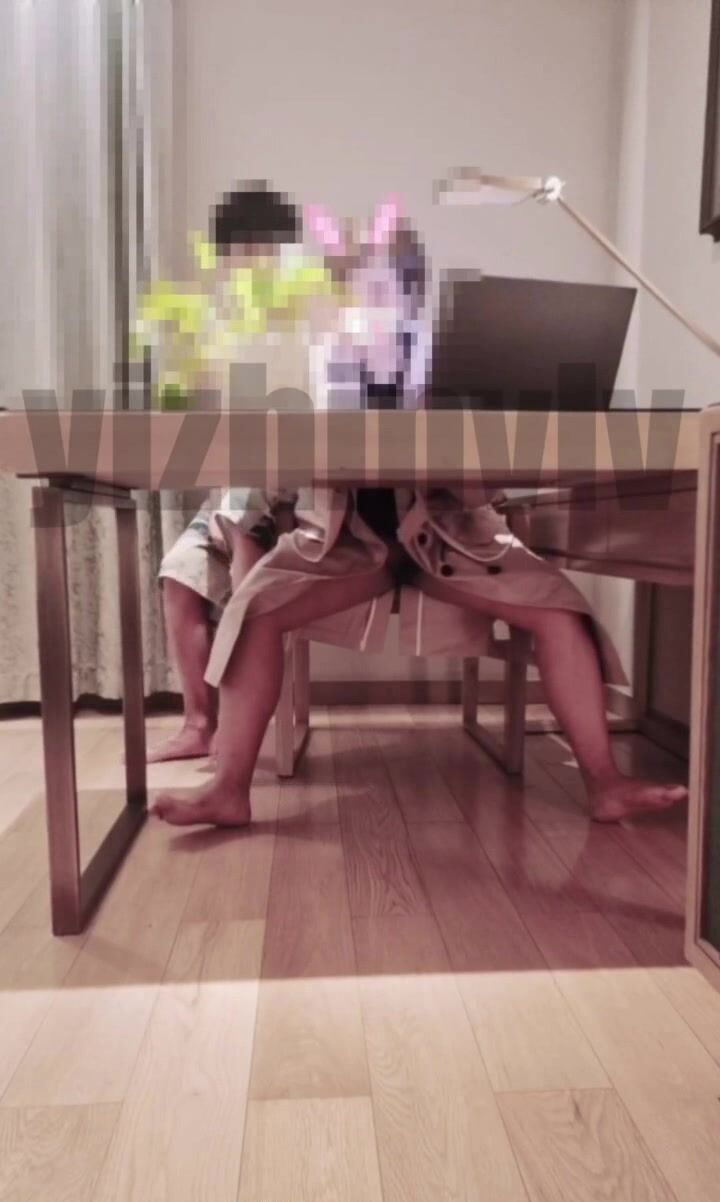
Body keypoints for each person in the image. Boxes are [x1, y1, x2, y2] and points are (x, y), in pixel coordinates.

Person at [153, 201, 687, 825]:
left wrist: (474, 446)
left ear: (410, 289)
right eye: (356, 281)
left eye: (387, 281)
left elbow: (484, 488)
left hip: (450, 540)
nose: (370, 296)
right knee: (254, 612)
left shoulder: (453, 361)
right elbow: (272, 472)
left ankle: (605, 783)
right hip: (344, 544)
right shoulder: (311, 362)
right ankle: (229, 790)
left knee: (563, 613)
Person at [149, 181, 313, 762]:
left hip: (303, 495)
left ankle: (242, 731)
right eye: (240, 249)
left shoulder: (312, 322)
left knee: (243, 552)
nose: (251, 259)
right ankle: (199, 724)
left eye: (264, 247)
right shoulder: (219, 328)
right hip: (238, 492)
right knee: (178, 576)